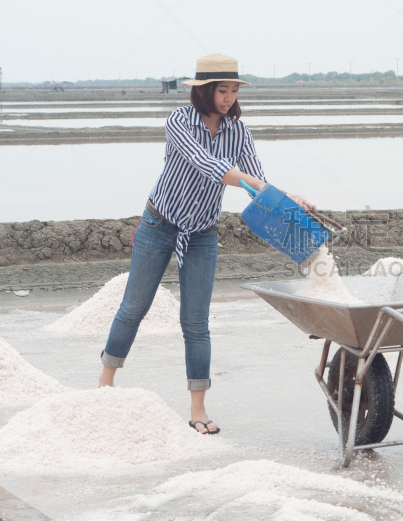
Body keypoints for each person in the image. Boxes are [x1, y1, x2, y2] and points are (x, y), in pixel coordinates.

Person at [98, 53, 313, 434]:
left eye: (233, 90)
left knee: (196, 323)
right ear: (203, 90)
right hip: (158, 224)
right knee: (134, 307)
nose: (228, 98)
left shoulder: (239, 132)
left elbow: (255, 184)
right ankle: (104, 387)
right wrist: (268, 187)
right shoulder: (179, 121)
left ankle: (198, 409)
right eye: (221, 90)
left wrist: (290, 202)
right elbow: (209, 165)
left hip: (202, 234)